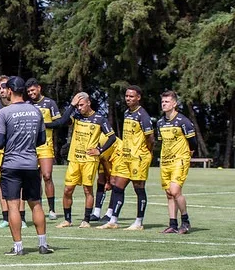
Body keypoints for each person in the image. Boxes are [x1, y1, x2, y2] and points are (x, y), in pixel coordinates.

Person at [0, 76, 53, 255]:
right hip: (30, 164)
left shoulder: (4, 112)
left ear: (10, 91)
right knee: (36, 204)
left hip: (11, 164)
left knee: (13, 205)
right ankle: (42, 244)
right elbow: (42, 140)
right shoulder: (36, 111)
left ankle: (18, 246)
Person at [50, 92, 117, 228]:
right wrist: (71, 105)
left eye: (81, 105)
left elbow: (112, 137)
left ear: (88, 103)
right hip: (74, 159)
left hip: (89, 161)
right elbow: (62, 121)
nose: (79, 108)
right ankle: (67, 220)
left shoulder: (99, 119)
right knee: (68, 190)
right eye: (77, 105)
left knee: (88, 190)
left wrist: (100, 150)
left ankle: (86, 220)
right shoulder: (76, 116)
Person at [97, 85, 154, 230]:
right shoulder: (127, 113)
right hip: (125, 157)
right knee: (117, 187)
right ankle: (113, 220)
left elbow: (151, 139)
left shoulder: (143, 115)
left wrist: (146, 153)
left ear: (138, 98)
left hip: (138, 158)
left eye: (131, 96)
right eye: (127, 96)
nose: (128, 98)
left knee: (139, 189)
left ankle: (138, 222)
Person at [156, 90, 197, 234]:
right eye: (162, 102)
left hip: (180, 160)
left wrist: (188, 154)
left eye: (167, 102)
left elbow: (193, 141)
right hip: (165, 162)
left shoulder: (183, 121)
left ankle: (185, 221)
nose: (164, 104)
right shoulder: (160, 122)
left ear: (174, 103)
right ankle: (173, 224)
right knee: (169, 193)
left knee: (175, 190)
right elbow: (161, 143)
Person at [0, 78, 26, 229]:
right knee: (0, 184)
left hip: (17, 150)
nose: (2, 90)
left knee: (21, 184)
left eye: (4, 87)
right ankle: (5, 217)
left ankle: (21, 218)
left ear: (10, 88)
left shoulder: (21, 106)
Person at [26, 78, 62, 220]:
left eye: (33, 90)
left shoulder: (49, 103)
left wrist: (43, 125)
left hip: (46, 145)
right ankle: (38, 206)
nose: (31, 93)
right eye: (28, 91)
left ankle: (52, 209)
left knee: (47, 176)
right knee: (35, 178)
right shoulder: (27, 104)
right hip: (30, 146)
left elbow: (58, 122)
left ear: (39, 88)